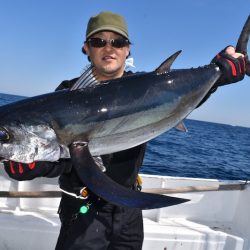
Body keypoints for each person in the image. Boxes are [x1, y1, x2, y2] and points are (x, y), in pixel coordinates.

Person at [3, 11, 246, 250]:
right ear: (86, 49)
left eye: (118, 42)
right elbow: (62, 156)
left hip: (129, 212)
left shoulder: (147, 85)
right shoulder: (65, 96)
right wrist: (35, 163)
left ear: (128, 49)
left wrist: (219, 73)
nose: (109, 48)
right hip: (83, 211)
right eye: (99, 42)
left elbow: (173, 103)